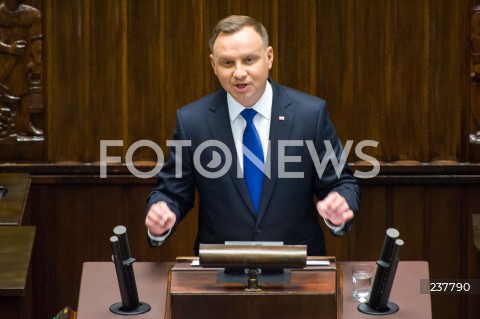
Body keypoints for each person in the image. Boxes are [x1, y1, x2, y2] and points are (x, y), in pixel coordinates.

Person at [145, 15, 360, 256]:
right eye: (227, 63)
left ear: (269, 57)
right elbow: (172, 192)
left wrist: (339, 205)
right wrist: (161, 213)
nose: (239, 72)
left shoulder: (310, 115)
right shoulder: (192, 121)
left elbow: (341, 183)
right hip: (220, 271)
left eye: (249, 60)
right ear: (213, 65)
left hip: (298, 269)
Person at [0, 0, 43, 136]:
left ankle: (24, 124)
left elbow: (37, 39)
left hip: (23, 61)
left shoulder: (32, 14)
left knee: (24, 91)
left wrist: (36, 61)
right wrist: (9, 49)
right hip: (3, 61)